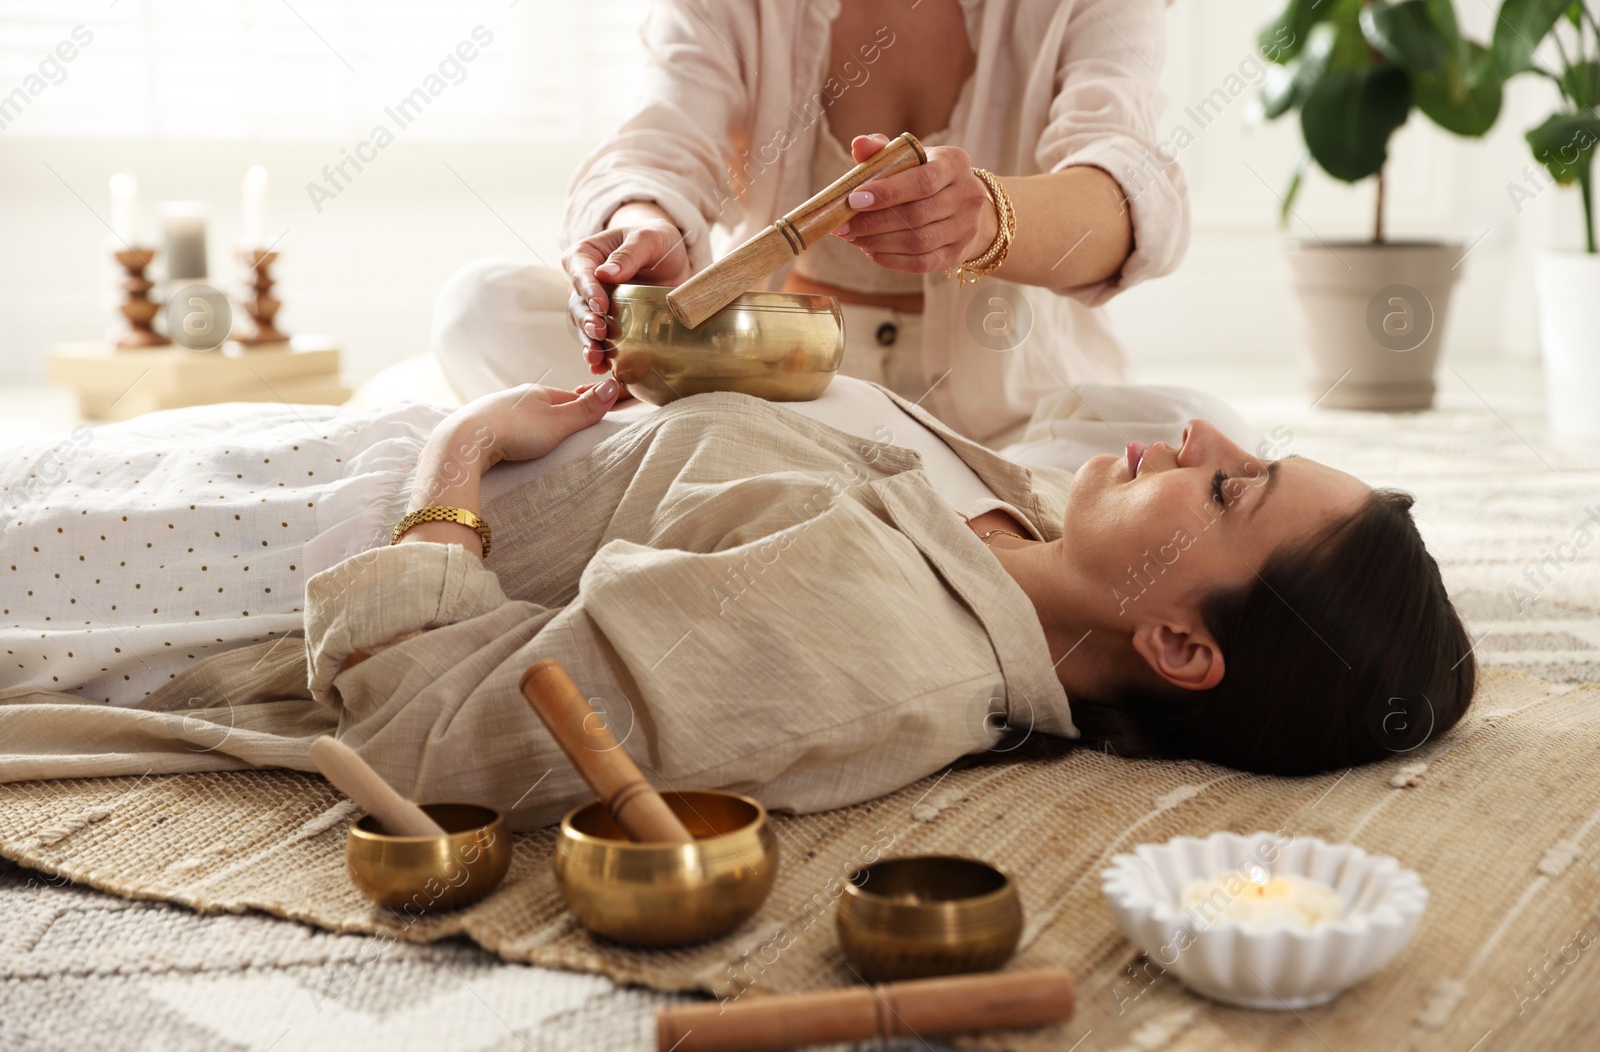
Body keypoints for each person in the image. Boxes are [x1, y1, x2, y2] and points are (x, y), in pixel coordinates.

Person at [0, 376, 1475, 830]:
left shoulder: (866, 645)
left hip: (228, 564)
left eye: (1230, 490)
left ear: (1175, 640)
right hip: (293, 443)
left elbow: (422, 729)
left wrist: (461, 459)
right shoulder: (1013, 517)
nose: (1202, 441)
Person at [431, 0, 1189, 448]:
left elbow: (1125, 190)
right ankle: (919, 521)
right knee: (481, 307)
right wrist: (646, 224)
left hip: (1008, 413)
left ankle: (807, 499)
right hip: (771, 387)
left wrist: (987, 218)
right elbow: (664, 138)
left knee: (1191, 434)